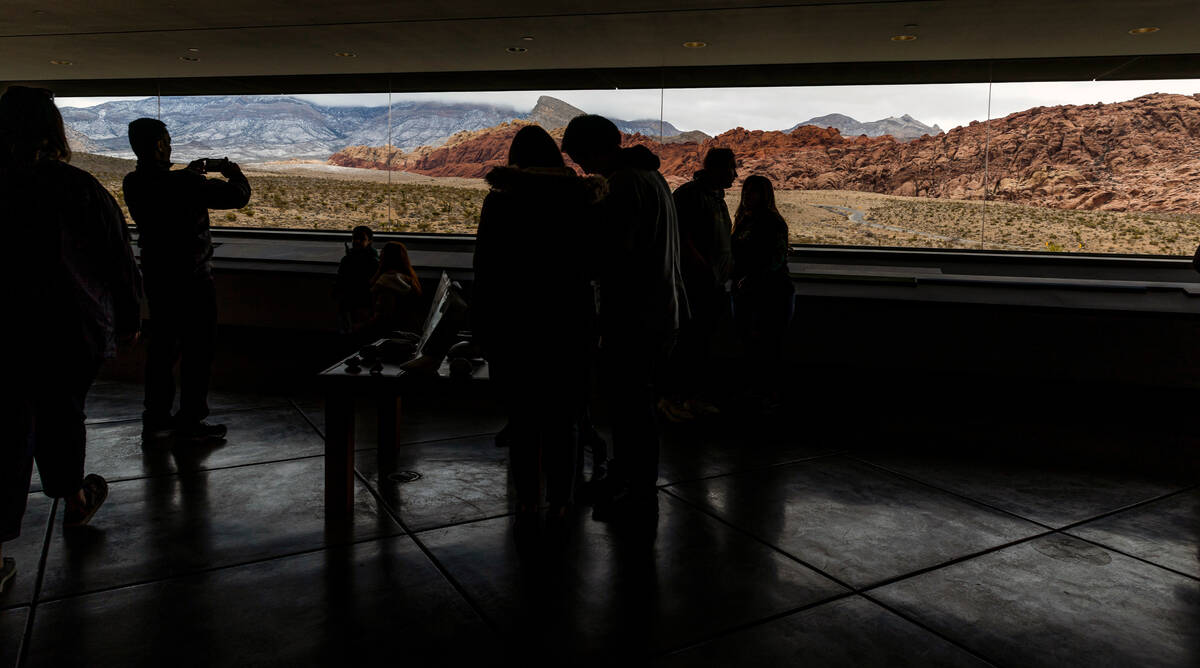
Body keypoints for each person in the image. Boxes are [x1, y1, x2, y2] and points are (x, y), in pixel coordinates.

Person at [0, 86, 142, 592]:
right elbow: (117, 262)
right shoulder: (79, 188)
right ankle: (76, 500)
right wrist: (128, 317)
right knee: (62, 415)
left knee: (8, 428)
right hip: (68, 330)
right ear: (53, 131)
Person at [473, 124, 605, 530]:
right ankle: (562, 500)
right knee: (565, 416)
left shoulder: (501, 201)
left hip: (517, 323)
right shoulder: (583, 199)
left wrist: (486, 327)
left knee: (524, 417)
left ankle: (528, 501)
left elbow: (486, 269)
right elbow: (597, 263)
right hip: (570, 321)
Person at [561, 115, 687, 521]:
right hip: (659, 311)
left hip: (635, 316)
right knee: (636, 404)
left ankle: (637, 492)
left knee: (631, 408)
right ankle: (627, 481)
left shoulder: (625, 184)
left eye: (580, 156)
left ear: (595, 148)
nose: (580, 165)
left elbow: (613, 253)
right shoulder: (653, 179)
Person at [123, 118, 251, 441]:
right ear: (158, 145)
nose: (171, 145)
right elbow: (238, 197)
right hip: (194, 280)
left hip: (157, 277)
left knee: (163, 349)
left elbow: (166, 195)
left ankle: (156, 416)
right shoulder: (184, 184)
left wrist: (189, 176)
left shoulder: (133, 184)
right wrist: (232, 171)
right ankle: (191, 420)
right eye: (167, 140)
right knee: (198, 351)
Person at [665, 147, 738, 421]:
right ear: (716, 168)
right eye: (732, 167)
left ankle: (693, 398)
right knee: (688, 343)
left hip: (714, 285)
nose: (736, 173)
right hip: (695, 286)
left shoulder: (715, 197)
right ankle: (673, 399)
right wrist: (703, 269)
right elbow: (682, 238)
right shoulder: (690, 195)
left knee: (703, 344)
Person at [730, 175, 794, 411]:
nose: (747, 195)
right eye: (745, 190)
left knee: (768, 347)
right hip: (744, 294)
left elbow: (775, 260)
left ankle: (769, 398)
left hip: (771, 295)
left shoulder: (773, 222)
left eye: (753, 191)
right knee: (750, 346)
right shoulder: (744, 220)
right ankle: (754, 397)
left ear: (764, 195)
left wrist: (751, 278)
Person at [364, 241, 424, 336]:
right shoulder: (410, 279)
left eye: (382, 253)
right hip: (410, 328)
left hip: (389, 333)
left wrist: (362, 326)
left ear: (386, 258)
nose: (379, 256)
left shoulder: (385, 282)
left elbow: (383, 316)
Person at [333, 225, 379, 335]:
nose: (356, 241)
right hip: (357, 304)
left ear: (370, 241)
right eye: (354, 238)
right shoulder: (373, 261)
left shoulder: (349, 259)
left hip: (358, 304)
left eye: (361, 239)